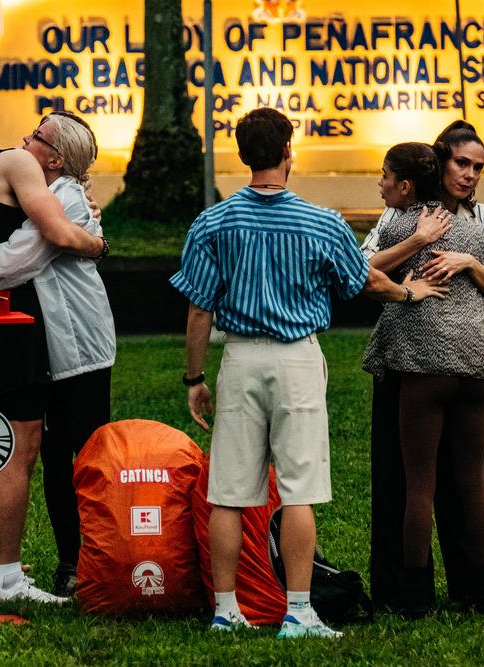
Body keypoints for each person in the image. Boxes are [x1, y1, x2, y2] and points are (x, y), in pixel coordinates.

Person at [170, 107, 448, 639]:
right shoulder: (323, 222)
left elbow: (198, 308)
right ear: (287, 152)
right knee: (299, 490)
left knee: (228, 492)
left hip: (240, 358)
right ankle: (298, 612)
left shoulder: (212, 222)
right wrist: (409, 292)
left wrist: (194, 377)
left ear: (243, 154)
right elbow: (364, 282)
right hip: (297, 356)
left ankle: (225, 610)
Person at [0, 111, 115, 599]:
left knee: (85, 457)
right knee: (50, 457)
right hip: (48, 344)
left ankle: (89, 562)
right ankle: (68, 563)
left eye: (37, 136)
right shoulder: (35, 192)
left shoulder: (65, 197)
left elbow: (11, 262)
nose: (25, 138)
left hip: (80, 347)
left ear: (57, 157)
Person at [361, 121, 484, 613]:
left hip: (425, 361)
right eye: (462, 163)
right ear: (439, 162)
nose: (470, 175)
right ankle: (466, 592)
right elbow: (364, 265)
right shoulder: (404, 214)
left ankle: (432, 592)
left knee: (423, 483)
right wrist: (421, 243)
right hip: (454, 360)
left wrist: (468, 263)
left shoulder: (478, 218)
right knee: (449, 479)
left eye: (478, 167)